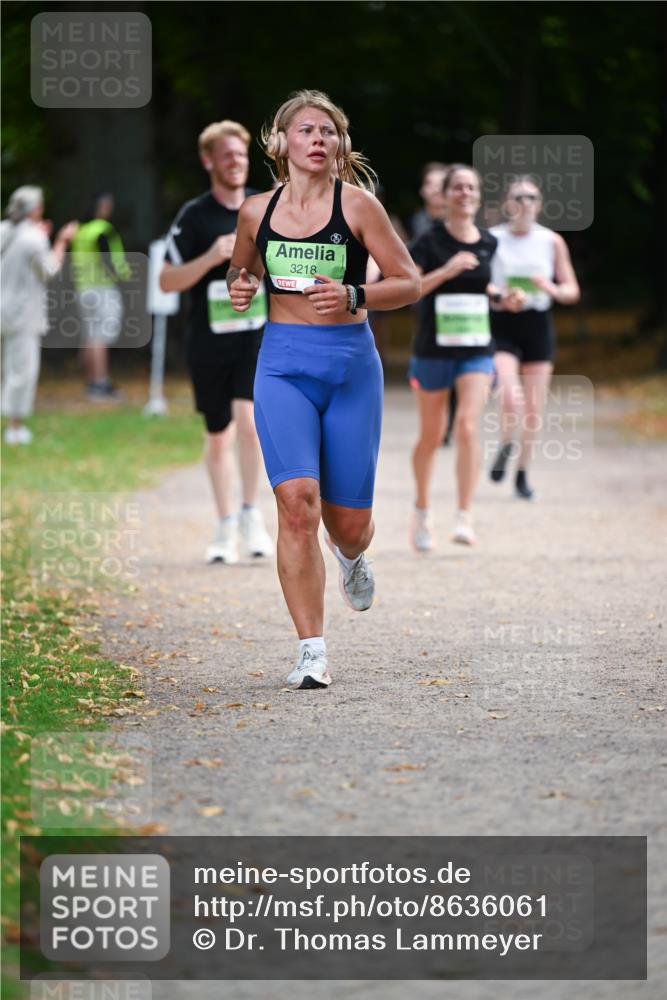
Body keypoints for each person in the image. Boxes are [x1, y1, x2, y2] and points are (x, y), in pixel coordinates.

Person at [227, 89, 420, 690]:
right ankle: (312, 650)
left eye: (329, 132)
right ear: (280, 143)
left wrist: (356, 294)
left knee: (349, 525)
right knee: (296, 503)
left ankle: (353, 556)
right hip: (283, 367)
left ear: (339, 145)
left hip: (350, 369)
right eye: (307, 130)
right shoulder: (256, 212)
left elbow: (409, 282)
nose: (319, 140)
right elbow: (245, 270)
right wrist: (240, 285)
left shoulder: (358, 207)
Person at [160, 119, 273, 565]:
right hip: (208, 341)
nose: (236, 163)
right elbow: (167, 281)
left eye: (242, 156)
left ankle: (251, 513)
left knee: (249, 424)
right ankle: (225, 523)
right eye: (227, 156)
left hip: (256, 337)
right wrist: (210, 255)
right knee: (219, 434)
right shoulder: (194, 216)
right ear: (209, 161)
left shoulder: (264, 209)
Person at [408, 164, 523, 551]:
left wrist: (502, 297)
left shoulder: (489, 242)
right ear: (444, 195)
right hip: (433, 349)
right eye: (457, 187)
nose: (465, 193)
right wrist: (448, 269)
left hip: (476, 348)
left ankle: (464, 514)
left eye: (471, 187)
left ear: (478, 195)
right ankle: (422, 509)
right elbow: (411, 290)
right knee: (431, 433)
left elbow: (484, 285)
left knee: (468, 428)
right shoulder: (428, 241)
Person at [488, 176, 581, 498]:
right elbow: (477, 285)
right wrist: (500, 295)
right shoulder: (492, 239)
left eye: (531, 197)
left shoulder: (551, 241)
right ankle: (505, 441)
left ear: (539, 205)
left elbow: (572, 290)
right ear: (507, 203)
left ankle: (522, 474)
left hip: (538, 324)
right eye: (518, 197)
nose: (524, 203)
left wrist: (552, 289)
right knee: (510, 396)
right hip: (502, 322)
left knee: (533, 408)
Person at [1, 186, 77, 444]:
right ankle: (15, 427)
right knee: (22, 369)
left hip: (3, 308)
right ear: (34, 210)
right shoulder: (33, 238)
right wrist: (61, 241)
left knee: (7, 368)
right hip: (23, 313)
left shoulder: (4, 230)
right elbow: (50, 270)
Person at [70, 193, 131, 400]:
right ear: (103, 207)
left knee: (89, 335)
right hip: (102, 288)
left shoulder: (81, 231)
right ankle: (100, 382)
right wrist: (121, 278)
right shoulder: (103, 229)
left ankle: (91, 381)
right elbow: (109, 259)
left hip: (83, 288)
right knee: (100, 336)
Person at [409, 161, 449, 241]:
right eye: (430, 184)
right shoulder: (417, 221)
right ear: (422, 190)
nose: (436, 190)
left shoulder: (466, 220)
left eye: (441, 184)